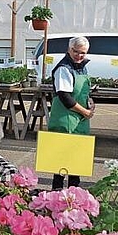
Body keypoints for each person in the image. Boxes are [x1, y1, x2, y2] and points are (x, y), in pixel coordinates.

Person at [48, 36, 94, 190]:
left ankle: (75, 196)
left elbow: (82, 92)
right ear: (69, 49)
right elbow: (65, 97)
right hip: (64, 120)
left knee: (76, 164)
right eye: (76, 51)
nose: (79, 55)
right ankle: (56, 194)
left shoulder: (82, 66)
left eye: (83, 53)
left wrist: (90, 103)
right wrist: (85, 112)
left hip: (79, 120)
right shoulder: (64, 68)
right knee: (60, 165)